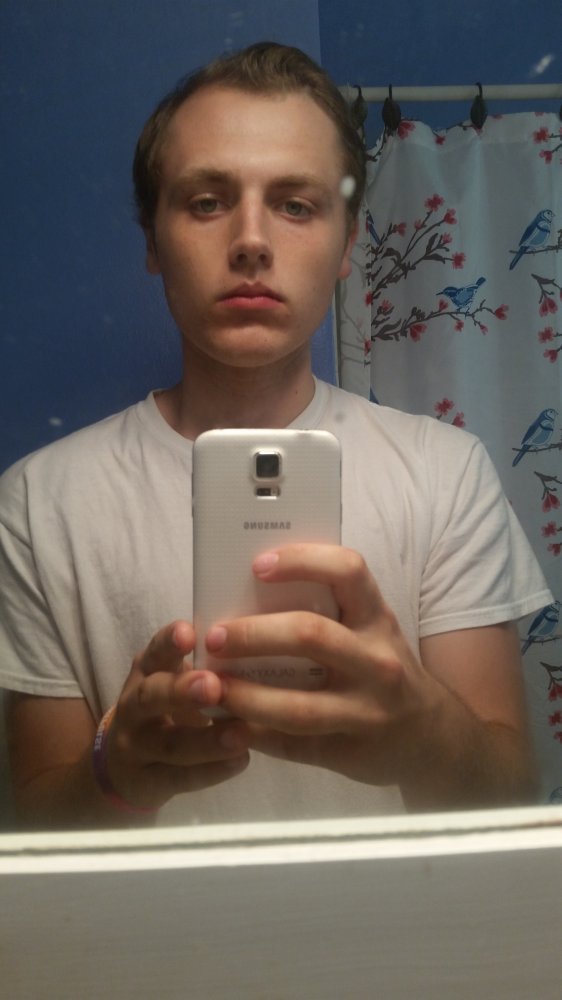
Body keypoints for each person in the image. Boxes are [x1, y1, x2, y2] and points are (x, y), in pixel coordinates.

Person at [0, 42, 552, 829]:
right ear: (152, 241)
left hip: (398, 916)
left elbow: (510, 797)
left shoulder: (446, 473)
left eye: (296, 204)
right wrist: (115, 774)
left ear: (348, 245)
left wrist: (423, 734)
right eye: (206, 201)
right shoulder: (37, 502)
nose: (252, 240)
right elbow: (28, 832)